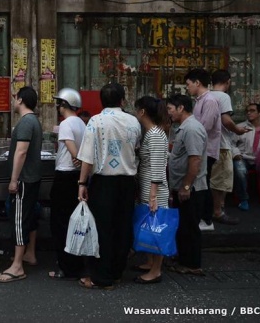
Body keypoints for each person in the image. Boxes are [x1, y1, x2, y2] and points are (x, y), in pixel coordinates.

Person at [76, 83, 141, 290]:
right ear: (122, 100)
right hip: (128, 181)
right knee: (122, 227)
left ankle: (102, 277)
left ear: (102, 101)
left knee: (103, 229)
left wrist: (82, 183)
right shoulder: (134, 121)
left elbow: (87, 156)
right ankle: (117, 272)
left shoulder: (96, 121)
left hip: (104, 182)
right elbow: (136, 149)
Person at [0, 86, 42, 283]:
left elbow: (21, 152)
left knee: (19, 221)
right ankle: (29, 254)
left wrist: (13, 180)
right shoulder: (34, 121)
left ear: (21, 100)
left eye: (15, 97)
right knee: (28, 217)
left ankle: (17, 267)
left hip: (23, 179)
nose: (13, 100)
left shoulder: (25, 123)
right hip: (32, 178)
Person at [166, 94, 207, 276]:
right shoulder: (183, 128)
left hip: (192, 188)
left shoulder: (192, 129)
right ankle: (183, 259)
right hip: (182, 185)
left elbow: (195, 160)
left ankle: (192, 264)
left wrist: (186, 186)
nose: (169, 113)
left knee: (190, 227)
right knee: (183, 225)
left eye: (170, 109)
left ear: (181, 108)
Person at [48, 88, 86, 280]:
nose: (57, 106)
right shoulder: (81, 123)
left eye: (59, 103)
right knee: (73, 222)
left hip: (64, 176)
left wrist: (76, 156)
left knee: (60, 223)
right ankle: (75, 263)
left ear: (65, 104)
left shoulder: (66, 124)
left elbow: (73, 150)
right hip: (77, 177)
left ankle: (65, 266)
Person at [132, 96, 170, 284]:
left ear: (142, 112)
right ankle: (149, 262)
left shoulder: (155, 134)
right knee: (149, 226)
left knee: (157, 229)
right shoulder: (151, 133)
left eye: (136, 109)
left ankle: (156, 270)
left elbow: (157, 167)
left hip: (154, 189)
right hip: (148, 187)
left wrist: (152, 195)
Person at [208, 70, 250, 225]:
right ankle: (217, 212)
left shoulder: (205, 96)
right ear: (228, 81)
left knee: (213, 179)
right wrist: (238, 130)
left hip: (209, 144)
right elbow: (225, 120)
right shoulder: (223, 96)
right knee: (221, 181)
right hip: (221, 144)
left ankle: (215, 208)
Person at [185, 68, 220, 232]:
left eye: (188, 84)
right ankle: (202, 217)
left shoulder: (210, 101)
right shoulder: (200, 100)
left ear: (197, 83)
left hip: (207, 150)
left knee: (203, 185)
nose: (187, 87)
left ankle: (207, 219)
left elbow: (204, 128)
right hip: (200, 149)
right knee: (200, 184)